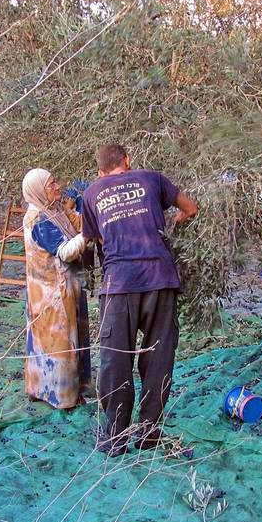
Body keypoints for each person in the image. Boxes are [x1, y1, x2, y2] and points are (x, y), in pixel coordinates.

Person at [81, 144, 198, 456]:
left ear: (100, 169)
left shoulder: (91, 193)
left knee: (115, 361)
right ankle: (148, 434)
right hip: (160, 278)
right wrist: (171, 225)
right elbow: (191, 208)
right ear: (127, 162)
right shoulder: (151, 178)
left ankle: (115, 437)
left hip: (119, 283)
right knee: (159, 359)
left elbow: (100, 240)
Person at [22, 168, 91, 409]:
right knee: (57, 342)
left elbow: (75, 223)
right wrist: (89, 233)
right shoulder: (39, 220)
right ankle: (61, 395)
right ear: (40, 190)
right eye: (51, 184)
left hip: (60, 288)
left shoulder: (53, 211)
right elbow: (65, 252)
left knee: (54, 341)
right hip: (52, 294)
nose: (57, 187)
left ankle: (47, 388)